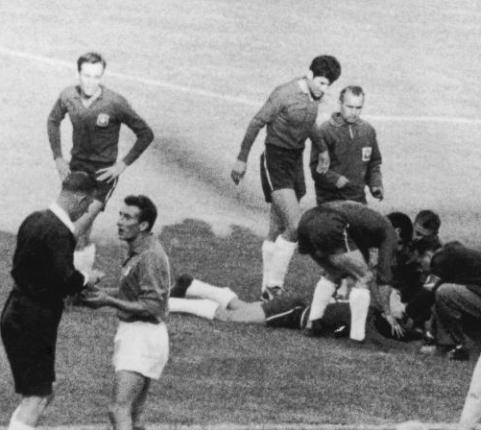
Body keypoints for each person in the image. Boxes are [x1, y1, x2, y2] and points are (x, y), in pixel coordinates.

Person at [0, 171, 102, 430]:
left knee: (43, 391)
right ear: (81, 199)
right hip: (33, 319)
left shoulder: (34, 220)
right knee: (37, 396)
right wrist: (87, 279)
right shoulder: (58, 232)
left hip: (17, 311)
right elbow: (63, 278)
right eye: (87, 207)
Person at [81, 195, 170, 430]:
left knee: (119, 409)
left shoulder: (150, 256)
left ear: (143, 224)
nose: (120, 221)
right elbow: (135, 292)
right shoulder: (139, 251)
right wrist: (105, 294)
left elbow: (153, 305)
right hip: (140, 336)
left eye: (128, 217)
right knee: (134, 412)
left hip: (142, 337)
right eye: (120, 215)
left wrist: (109, 302)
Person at [230, 55, 341, 300]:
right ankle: (274, 286)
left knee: (277, 228)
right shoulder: (284, 94)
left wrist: (322, 148)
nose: (325, 89)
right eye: (322, 82)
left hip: (295, 161)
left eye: (328, 85)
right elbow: (257, 122)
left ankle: (265, 291)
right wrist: (241, 158)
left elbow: (308, 122)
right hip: (275, 161)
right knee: (295, 226)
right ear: (310, 75)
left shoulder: (314, 98)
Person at [47, 51, 154, 277]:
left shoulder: (115, 103)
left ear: (102, 76)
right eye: (86, 75)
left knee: (77, 228)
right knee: (78, 229)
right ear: (79, 74)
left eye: (96, 76)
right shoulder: (68, 96)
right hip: (76, 172)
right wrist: (58, 157)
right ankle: (82, 279)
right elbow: (53, 120)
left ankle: (70, 280)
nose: (90, 82)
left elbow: (145, 133)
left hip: (102, 178)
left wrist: (121, 165)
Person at [168, 273, 419, 342]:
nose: (401, 314)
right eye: (403, 309)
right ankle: (172, 303)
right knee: (232, 318)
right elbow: (373, 339)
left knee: (241, 308)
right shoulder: (369, 310)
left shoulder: (368, 310)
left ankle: (193, 286)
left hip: (293, 307)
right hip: (292, 311)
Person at [296, 201, 400, 342]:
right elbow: (384, 277)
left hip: (305, 220)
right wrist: (388, 313)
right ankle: (357, 337)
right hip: (329, 222)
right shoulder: (390, 232)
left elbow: (358, 259)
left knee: (334, 272)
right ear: (398, 231)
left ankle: (312, 324)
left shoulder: (366, 225)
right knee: (365, 277)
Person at [310, 85, 383, 205]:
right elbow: (315, 168)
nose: (354, 112)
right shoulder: (325, 131)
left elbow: (374, 163)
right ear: (340, 103)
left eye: (358, 108)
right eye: (350, 107)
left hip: (358, 200)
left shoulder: (368, 131)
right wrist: (335, 179)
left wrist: (376, 185)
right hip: (330, 200)